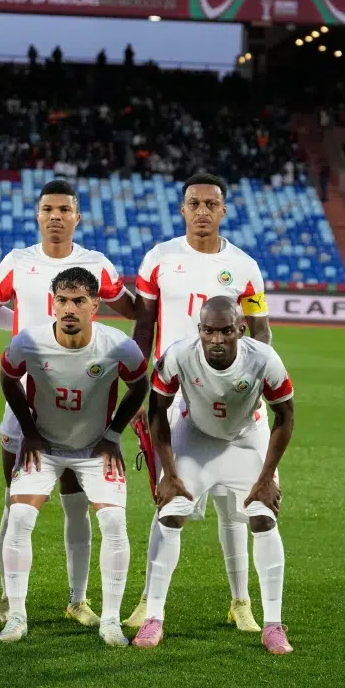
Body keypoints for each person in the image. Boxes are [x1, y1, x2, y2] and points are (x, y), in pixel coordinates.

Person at [0, 178, 137, 628]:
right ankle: (5, 596)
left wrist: (153, 338)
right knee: (17, 498)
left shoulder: (95, 263)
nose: (55, 216)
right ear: (37, 215)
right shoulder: (19, 262)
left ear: (77, 216)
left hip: (81, 404)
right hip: (27, 399)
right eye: (47, 209)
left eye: (64, 209)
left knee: (77, 499)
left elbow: (135, 308)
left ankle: (78, 599)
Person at [125, 172, 273, 634]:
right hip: (172, 395)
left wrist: (255, 390)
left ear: (224, 210)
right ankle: (150, 600)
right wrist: (137, 394)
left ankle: (241, 601)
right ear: (183, 209)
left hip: (231, 396)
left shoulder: (245, 266)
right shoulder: (160, 259)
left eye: (212, 204)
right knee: (169, 496)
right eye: (195, 203)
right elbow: (144, 329)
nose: (203, 211)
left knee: (236, 502)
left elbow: (262, 332)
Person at [134, 297, 294, 654]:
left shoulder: (264, 360)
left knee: (264, 519)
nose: (216, 339)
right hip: (196, 438)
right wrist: (169, 473)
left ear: (240, 329)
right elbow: (157, 411)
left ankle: (273, 624)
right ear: (200, 330)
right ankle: (153, 618)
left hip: (245, 441)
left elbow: (285, 416)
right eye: (209, 330)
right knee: (170, 513)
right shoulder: (179, 355)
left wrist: (266, 477)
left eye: (225, 331)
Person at [0, 267, 148, 644]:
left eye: (78, 301)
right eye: (62, 300)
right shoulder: (27, 342)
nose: (69, 309)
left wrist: (114, 433)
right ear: (53, 303)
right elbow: (7, 378)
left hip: (95, 449)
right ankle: (16, 616)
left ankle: (110, 620)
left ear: (94, 305)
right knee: (19, 518)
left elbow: (140, 383)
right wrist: (28, 433)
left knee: (114, 524)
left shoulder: (118, 346)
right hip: (44, 446)